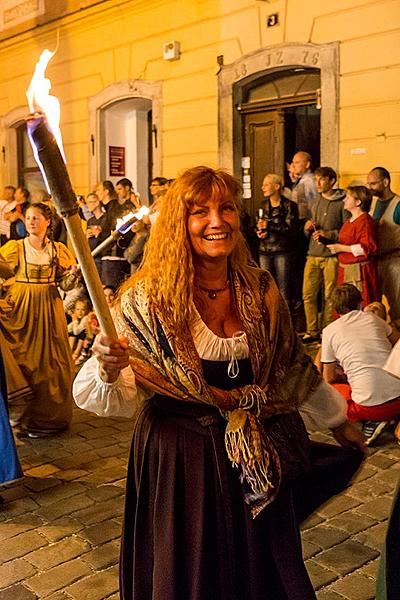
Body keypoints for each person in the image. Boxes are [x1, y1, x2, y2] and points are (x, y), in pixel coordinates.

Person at [73, 166, 365, 600]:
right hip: (179, 458)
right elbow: (105, 394)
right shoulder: (144, 299)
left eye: (226, 207)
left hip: (253, 451)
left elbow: (291, 368)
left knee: (263, 570)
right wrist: (109, 367)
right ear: (178, 225)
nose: (217, 221)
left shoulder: (261, 289)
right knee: (190, 572)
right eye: (199, 212)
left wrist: (339, 422)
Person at [0, 203, 79, 437]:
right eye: (28, 218)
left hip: (49, 308)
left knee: (51, 364)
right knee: (23, 359)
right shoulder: (15, 247)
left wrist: (73, 274)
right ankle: (22, 416)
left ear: (47, 221)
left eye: (36, 218)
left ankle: (47, 420)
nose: (31, 221)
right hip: (21, 309)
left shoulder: (58, 250)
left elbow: (64, 284)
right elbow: (3, 272)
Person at [320, 284, 400, 446]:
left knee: (327, 391)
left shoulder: (329, 331)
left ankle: (374, 421)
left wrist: (344, 373)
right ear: (360, 303)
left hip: (368, 408)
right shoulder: (374, 319)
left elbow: (328, 378)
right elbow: (397, 342)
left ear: (335, 309)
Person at [302, 167, 347, 343]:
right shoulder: (314, 202)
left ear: (332, 180)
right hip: (312, 254)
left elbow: (346, 231)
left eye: (321, 179)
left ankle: (328, 331)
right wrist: (306, 228)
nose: (318, 183)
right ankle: (311, 330)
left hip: (331, 256)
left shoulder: (342, 202)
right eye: (316, 179)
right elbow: (307, 231)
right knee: (308, 294)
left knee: (330, 296)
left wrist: (330, 234)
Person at [327, 185, 380, 307]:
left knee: (362, 304)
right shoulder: (348, 222)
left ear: (358, 202)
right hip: (345, 269)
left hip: (360, 272)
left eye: (348, 197)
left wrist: (341, 248)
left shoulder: (365, 221)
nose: (344, 200)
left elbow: (367, 248)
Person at [256, 173, 300, 307]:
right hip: (264, 249)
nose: (263, 187)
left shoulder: (289, 206)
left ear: (277, 186)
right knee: (266, 288)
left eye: (266, 184)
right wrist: (259, 233)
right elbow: (256, 224)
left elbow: (291, 230)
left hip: (282, 251)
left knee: (283, 289)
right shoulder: (263, 205)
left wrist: (269, 226)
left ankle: (285, 322)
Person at [367, 167, 400, 325]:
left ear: (385, 182)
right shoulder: (372, 204)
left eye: (373, 184)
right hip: (375, 261)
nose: (370, 188)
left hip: (394, 261)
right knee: (374, 304)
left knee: (396, 305)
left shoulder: (398, 205)